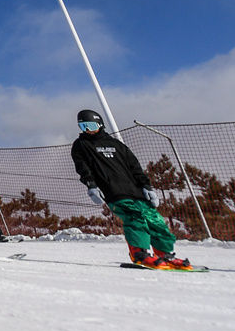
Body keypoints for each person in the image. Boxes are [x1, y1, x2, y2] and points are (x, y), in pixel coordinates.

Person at [70, 109, 194, 270]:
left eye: (91, 125)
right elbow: (83, 167)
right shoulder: (81, 145)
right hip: (113, 191)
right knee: (134, 218)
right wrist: (91, 186)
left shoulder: (116, 144)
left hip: (135, 191)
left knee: (155, 221)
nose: (87, 129)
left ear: (100, 124)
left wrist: (146, 186)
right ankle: (139, 254)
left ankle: (165, 255)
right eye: (83, 126)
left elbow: (134, 167)